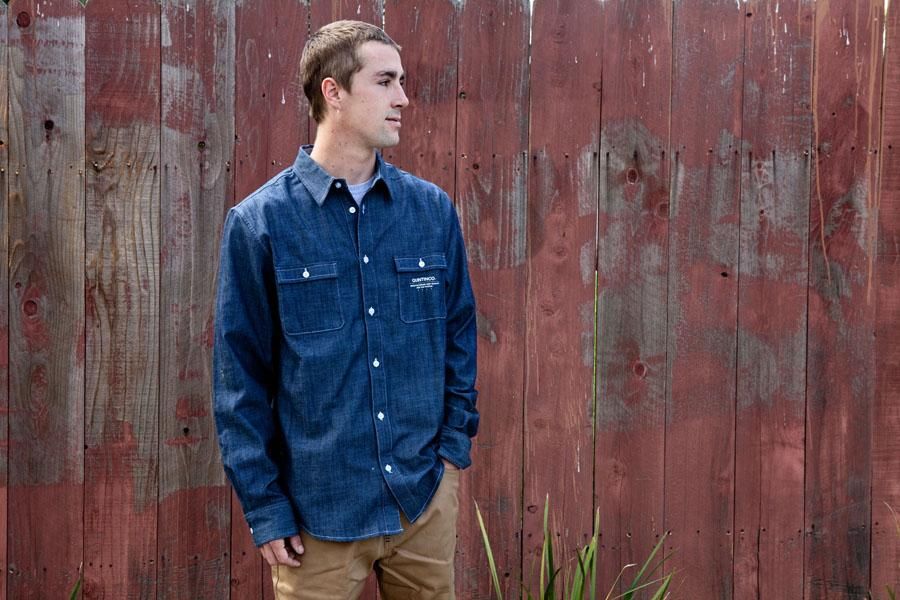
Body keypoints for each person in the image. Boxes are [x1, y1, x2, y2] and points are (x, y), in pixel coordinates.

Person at [212, 19, 479, 599]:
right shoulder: (260, 224)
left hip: (422, 500)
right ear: (333, 92)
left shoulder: (430, 211)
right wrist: (265, 507)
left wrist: (452, 454)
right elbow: (239, 383)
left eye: (401, 81)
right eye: (385, 81)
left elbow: (459, 336)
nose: (402, 98)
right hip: (317, 516)